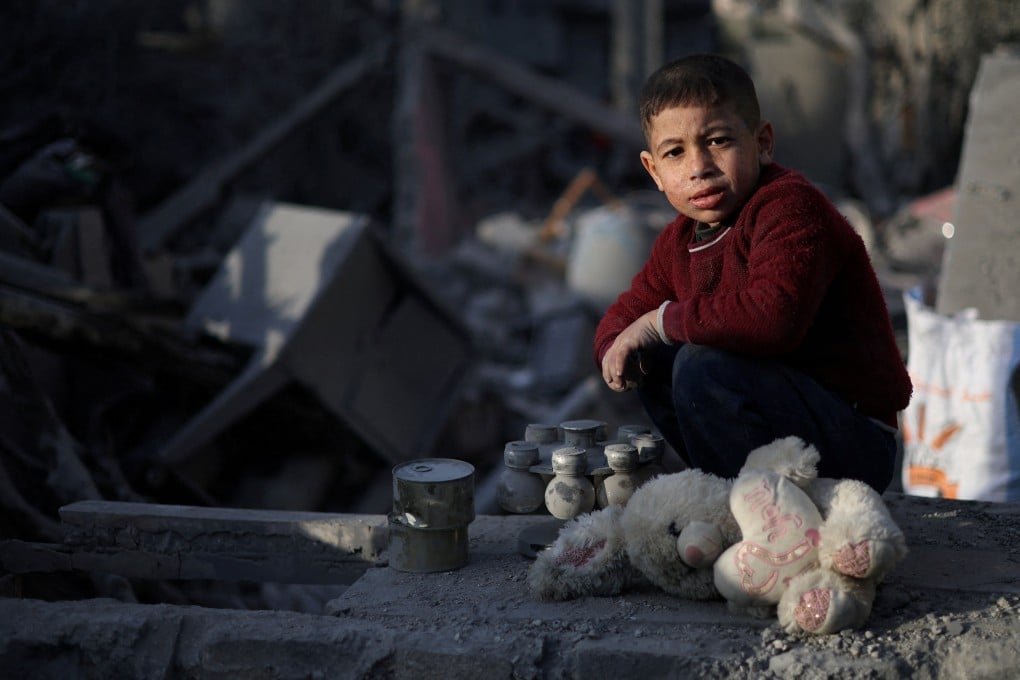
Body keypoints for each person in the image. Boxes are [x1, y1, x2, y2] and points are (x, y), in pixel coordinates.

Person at [595, 54, 912, 492]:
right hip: (778, 429)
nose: (698, 166)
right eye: (675, 152)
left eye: (718, 141)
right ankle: (731, 496)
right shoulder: (679, 240)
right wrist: (615, 345)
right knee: (650, 356)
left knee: (699, 360)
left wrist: (659, 322)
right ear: (654, 171)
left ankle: (759, 509)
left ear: (762, 142)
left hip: (851, 440)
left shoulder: (789, 209)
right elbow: (629, 312)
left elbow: (772, 317)